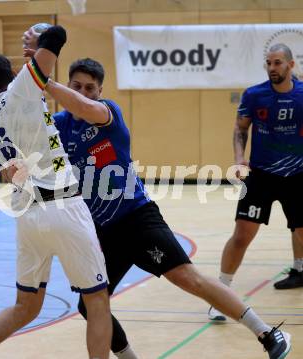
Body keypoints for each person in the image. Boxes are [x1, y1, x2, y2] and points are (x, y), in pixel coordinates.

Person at [17, 33, 291, 356]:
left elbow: (81, 105)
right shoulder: (60, 126)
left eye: (90, 88)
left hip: (136, 218)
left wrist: (44, 79)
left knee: (189, 279)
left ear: (100, 92)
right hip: (100, 232)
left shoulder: (108, 113)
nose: (82, 92)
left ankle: (266, 333)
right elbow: (29, 112)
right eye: (76, 86)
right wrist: (36, 64)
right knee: (91, 305)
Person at [0, 25, 112, 359]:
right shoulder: (22, 86)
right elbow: (57, 34)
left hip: (27, 216)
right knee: (97, 299)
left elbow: (12, 174)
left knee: (26, 305)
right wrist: (36, 41)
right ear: (13, 73)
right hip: (62, 205)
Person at [208, 43, 303, 322]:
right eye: (268, 63)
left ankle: (299, 269)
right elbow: (240, 128)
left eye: (277, 63)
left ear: (290, 65)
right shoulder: (254, 95)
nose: (272, 68)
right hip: (261, 175)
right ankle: (220, 295)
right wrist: (239, 158)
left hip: (298, 176)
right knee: (241, 235)